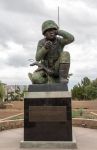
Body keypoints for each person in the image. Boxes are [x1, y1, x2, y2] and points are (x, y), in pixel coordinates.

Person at [28, 20, 74, 84]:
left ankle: (62, 78)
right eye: (49, 31)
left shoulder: (60, 41)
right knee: (36, 79)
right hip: (45, 68)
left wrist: (58, 32)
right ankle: (50, 80)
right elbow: (37, 58)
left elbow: (71, 38)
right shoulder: (41, 42)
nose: (51, 32)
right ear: (44, 33)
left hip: (57, 67)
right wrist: (45, 48)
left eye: (53, 30)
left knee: (65, 54)